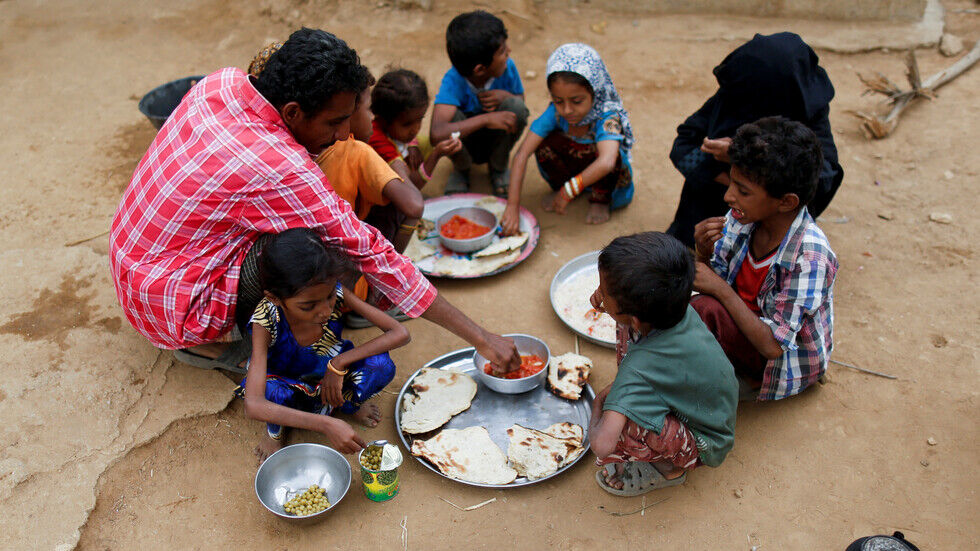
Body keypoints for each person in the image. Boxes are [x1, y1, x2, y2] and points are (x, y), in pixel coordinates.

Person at [109, 28, 521, 449]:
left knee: (306, 233)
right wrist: (482, 338)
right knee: (304, 243)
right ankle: (214, 346)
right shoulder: (279, 167)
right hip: (174, 307)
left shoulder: (224, 83)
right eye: (335, 121)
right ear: (291, 112)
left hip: (136, 265)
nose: (344, 134)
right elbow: (369, 249)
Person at [691, 116, 838, 401]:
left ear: (786, 202)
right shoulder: (742, 219)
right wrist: (704, 253)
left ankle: (746, 380)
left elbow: (774, 347)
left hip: (777, 361)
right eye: (732, 183)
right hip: (741, 325)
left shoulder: (810, 257)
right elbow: (716, 278)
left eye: (743, 191)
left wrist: (718, 289)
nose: (729, 196)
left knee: (701, 309)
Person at [588, 232, 737, 496]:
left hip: (705, 442)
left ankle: (669, 469)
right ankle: (631, 401)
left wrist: (599, 405)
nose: (599, 292)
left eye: (604, 290)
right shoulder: (676, 308)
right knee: (624, 333)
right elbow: (630, 322)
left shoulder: (639, 367)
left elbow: (602, 445)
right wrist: (608, 296)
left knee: (625, 427)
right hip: (713, 408)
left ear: (635, 318)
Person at [239, 229, 407, 459]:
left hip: (332, 376)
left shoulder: (334, 289)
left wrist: (339, 363)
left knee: (381, 365)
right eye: (308, 307)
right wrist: (326, 425)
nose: (326, 311)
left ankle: (348, 404)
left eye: (328, 298)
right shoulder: (265, 319)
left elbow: (399, 333)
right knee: (272, 392)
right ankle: (274, 433)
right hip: (290, 385)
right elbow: (254, 405)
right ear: (275, 299)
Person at [665, 32, 843, 248]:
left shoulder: (805, 106)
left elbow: (824, 176)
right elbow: (683, 145)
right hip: (707, 207)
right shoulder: (735, 93)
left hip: (770, 219)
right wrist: (731, 181)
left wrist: (744, 156)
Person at [500, 43, 634, 234]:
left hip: (602, 177)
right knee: (545, 143)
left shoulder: (608, 116)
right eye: (558, 101)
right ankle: (562, 186)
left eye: (577, 101)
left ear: (594, 92)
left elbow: (606, 162)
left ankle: (600, 199)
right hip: (573, 172)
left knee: (614, 157)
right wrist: (512, 206)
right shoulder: (555, 113)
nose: (567, 110)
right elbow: (522, 154)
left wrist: (569, 190)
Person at [429, 10, 529, 195]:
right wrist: (486, 119)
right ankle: (462, 169)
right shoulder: (453, 80)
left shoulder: (508, 67)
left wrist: (506, 97)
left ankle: (498, 168)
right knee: (450, 124)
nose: (509, 52)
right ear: (480, 69)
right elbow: (436, 134)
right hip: (467, 144)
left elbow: (521, 103)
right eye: (502, 51)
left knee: (516, 108)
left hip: (495, 140)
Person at [368, 68, 462, 193]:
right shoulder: (379, 143)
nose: (416, 129)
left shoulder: (390, 124)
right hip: (379, 196)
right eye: (407, 124)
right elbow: (410, 187)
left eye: (420, 119)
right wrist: (436, 155)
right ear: (384, 119)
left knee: (426, 143)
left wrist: (412, 144)